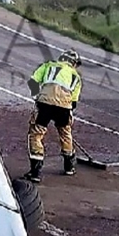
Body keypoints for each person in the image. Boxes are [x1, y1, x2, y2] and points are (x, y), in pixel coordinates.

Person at [24, 50, 82, 183]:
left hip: (45, 104)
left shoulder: (48, 65)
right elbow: (73, 103)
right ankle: (69, 166)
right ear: (73, 63)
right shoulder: (76, 77)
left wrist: (36, 96)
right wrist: (67, 113)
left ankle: (35, 172)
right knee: (65, 133)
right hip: (64, 107)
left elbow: (33, 81)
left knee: (36, 134)